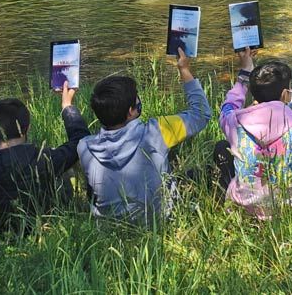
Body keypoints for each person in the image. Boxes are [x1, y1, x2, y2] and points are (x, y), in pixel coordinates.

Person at [79, 49, 211, 224]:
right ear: (130, 112)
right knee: (200, 172)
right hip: (160, 222)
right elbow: (200, 114)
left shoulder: (85, 147)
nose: (139, 100)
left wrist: (67, 106)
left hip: (111, 228)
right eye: (136, 100)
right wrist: (184, 70)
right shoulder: (156, 131)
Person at [215, 49, 292, 219]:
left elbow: (227, 108)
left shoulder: (234, 121)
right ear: (286, 94)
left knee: (222, 147)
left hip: (244, 208)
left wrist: (244, 76)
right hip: (290, 208)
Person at [0, 81, 90, 234]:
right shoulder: (45, 158)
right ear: (27, 128)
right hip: (40, 226)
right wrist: (67, 106)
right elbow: (80, 139)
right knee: (66, 172)